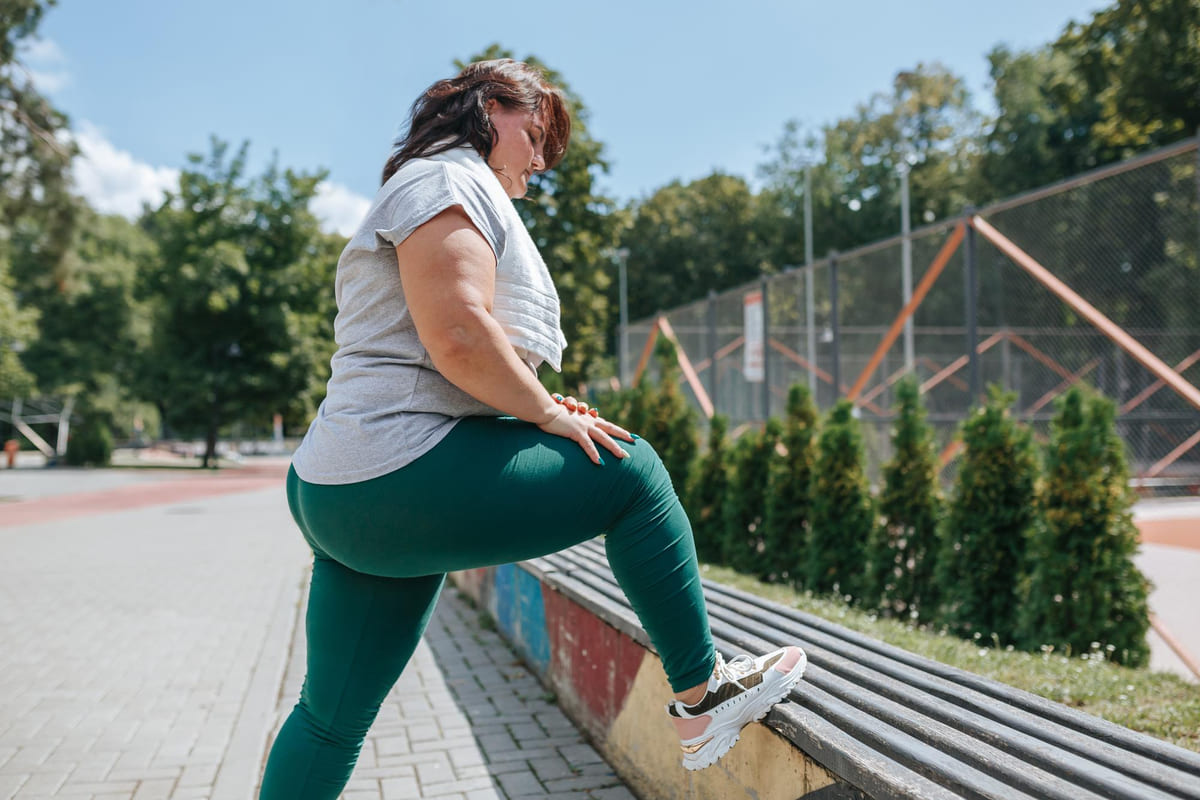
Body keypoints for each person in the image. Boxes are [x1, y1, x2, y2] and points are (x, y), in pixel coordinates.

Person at [258, 58, 806, 798]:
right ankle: (703, 697)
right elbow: (456, 336)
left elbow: (444, 356)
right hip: (394, 475)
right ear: (489, 109)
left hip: (345, 491)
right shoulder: (445, 180)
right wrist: (543, 413)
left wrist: (540, 404)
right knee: (633, 474)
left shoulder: (432, 184)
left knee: (329, 719)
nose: (541, 160)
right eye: (535, 134)